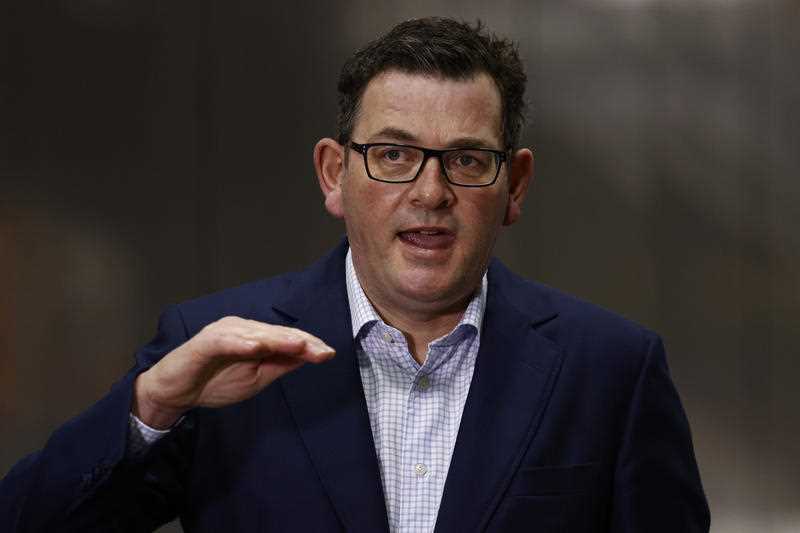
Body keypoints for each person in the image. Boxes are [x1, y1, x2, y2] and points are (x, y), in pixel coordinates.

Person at [0, 17, 709, 532]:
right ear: (335, 175)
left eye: (466, 159)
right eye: (394, 154)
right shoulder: (214, 352)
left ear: (514, 186)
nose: (430, 192)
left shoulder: (612, 369)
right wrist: (150, 407)